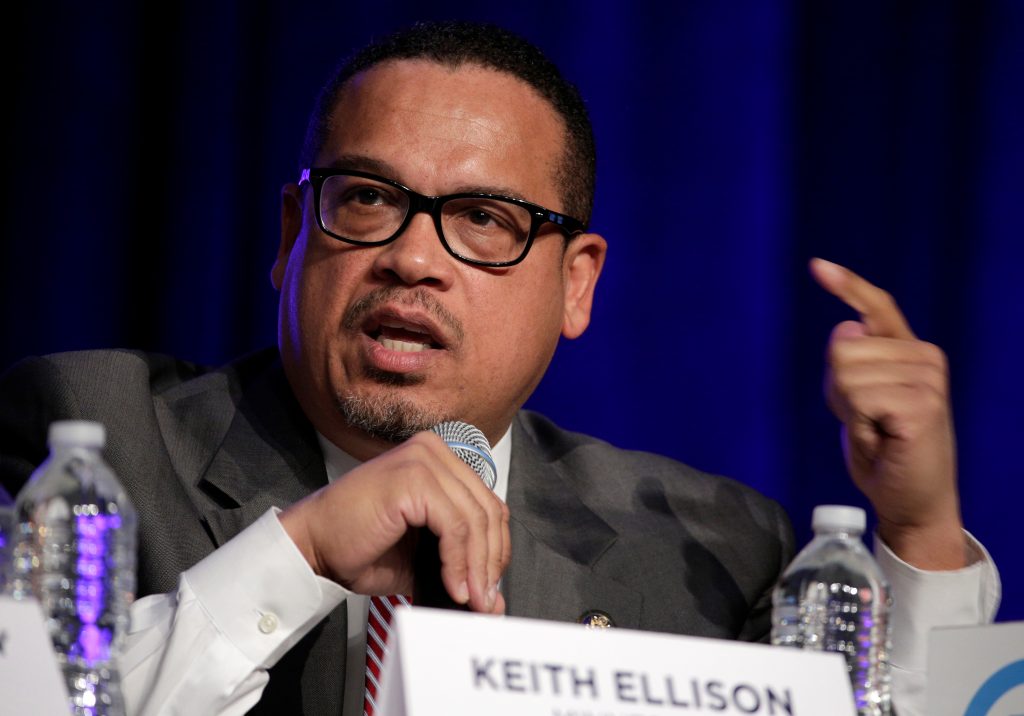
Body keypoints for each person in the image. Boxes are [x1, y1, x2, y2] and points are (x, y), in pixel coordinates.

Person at [0, 21, 998, 716]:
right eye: (364, 199)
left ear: (576, 285)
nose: (412, 255)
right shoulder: (88, 439)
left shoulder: (707, 546)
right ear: (291, 233)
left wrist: (919, 531)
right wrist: (296, 552)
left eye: (483, 219)